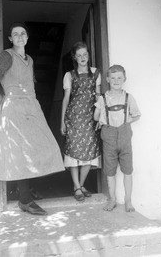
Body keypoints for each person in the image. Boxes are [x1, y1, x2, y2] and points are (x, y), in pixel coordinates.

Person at [0, 22, 65, 216]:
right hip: (14, 108)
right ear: (10, 38)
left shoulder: (29, 59)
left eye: (23, 34)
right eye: (15, 34)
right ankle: (25, 200)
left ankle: (24, 189)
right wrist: (2, 99)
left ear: (27, 37)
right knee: (21, 152)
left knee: (40, 147)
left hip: (31, 106)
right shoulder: (7, 55)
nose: (20, 37)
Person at [94, 64, 141, 212]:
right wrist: (101, 116)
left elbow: (137, 114)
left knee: (128, 170)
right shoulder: (102, 98)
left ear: (124, 79)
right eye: (113, 77)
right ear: (108, 79)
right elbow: (96, 116)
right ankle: (112, 200)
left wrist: (127, 121)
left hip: (125, 137)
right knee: (110, 171)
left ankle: (128, 201)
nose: (116, 80)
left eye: (119, 78)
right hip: (109, 137)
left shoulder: (128, 97)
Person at [61, 41, 101, 201]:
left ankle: (80, 185)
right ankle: (77, 186)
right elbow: (66, 99)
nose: (82, 57)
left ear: (88, 55)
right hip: (73, 119)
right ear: (75, 58)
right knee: (74, 152)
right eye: (79, 55)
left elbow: (98, 97)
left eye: (85, 54)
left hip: (90, 118)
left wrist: (100, 117)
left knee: (89, 152)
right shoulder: (69, 75)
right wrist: (62, 121)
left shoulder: (96, 73)